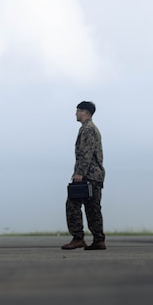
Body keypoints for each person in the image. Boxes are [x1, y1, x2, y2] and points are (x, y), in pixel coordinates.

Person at [61, 101, 106, 251]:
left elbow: (86, 153)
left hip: (87, 175)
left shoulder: (87, 130)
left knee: (72, 205)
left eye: (78, 111)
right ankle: (99, 240)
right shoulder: (92, 129)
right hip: (95, 176)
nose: (76, 113)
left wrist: (79, 173)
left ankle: (78, 238)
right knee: (93, 208)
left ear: (85, 112)